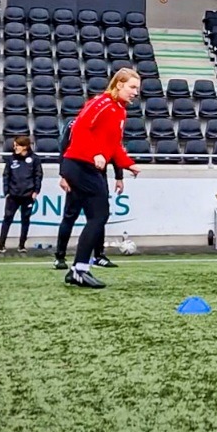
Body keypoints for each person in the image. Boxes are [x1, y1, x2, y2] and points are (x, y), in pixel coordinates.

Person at [61, 67, 141, 288]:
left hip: (87, 166)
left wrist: (128, 164)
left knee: (97, 216)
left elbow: (113, 145)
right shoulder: (102, 103)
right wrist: (94, 152)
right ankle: (79, 269)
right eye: (132, 87)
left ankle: (78, 269)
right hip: (79, 164)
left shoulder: (120, 110)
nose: (135, 92)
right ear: (119, 85)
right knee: (99, 215)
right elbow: (80, 128)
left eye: (137, 88)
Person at [52, 117, 121, 270]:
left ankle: (98, 255)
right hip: (78, 174)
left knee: (99, 216)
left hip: (97, 176)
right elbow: (64, 149)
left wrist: (119, 176)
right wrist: (63, 175)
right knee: (70, 216)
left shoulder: (107, 124)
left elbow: (114, 150)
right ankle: (60, 256)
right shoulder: (75, 124)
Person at [0, 135, 42, 254]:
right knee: (7, 219)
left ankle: (22, 245)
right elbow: (6, 176)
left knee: (25, 220)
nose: (15, 148)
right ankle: (1, 245)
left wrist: (36, 191)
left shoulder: (35, 159)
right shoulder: (11, 159)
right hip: (13, 195)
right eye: (14, 145)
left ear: (25, 147)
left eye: (17, 146)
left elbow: (38, 175)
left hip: (28, 195)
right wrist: (6, 192)